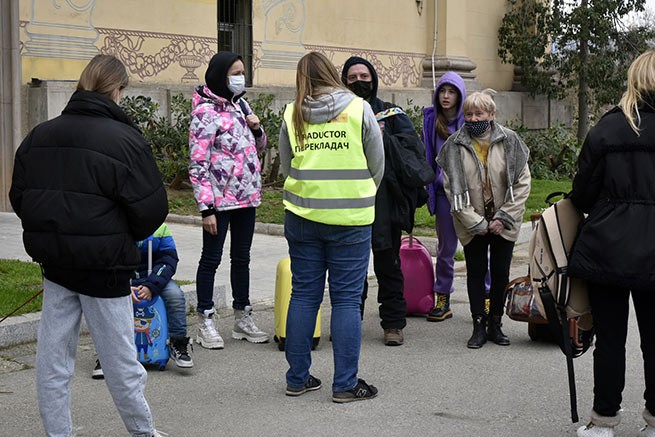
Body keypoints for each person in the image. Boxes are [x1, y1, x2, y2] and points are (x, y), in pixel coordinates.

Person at [9, 54, 167, 437]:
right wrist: (118, 234)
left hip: (58, 265)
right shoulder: (125, 139)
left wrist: (53, 234)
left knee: (53, 360)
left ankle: (58, 433)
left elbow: (20, 197)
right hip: (104, 267)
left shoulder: (40, 135)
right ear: (118, 90)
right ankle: (142, 431)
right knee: (120, 360)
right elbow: (152, 209)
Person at [278, 51, 384, 402]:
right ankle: (344, 385)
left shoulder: (293, 112)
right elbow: (376, 163)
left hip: (303, 216)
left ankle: (297, 378)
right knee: (346, 301)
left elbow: (285, 167)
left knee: (304, 295)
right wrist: (361, 192)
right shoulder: (357, 108)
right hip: (350, 218)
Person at [570, 51, 655, 437]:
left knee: (610, 340)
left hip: (608, 248)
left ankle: (604, 420)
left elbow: (582, 194)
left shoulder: (608, 128)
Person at [340, 57, 434, 346]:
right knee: (350, 267)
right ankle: (349, 321)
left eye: (364, 75)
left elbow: (412, 150)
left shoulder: (392, 114)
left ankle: (393, 323)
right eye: (353, 77)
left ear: (374, 79)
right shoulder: (337, 114)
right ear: (344, 82)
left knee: (388, 264)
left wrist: (384, 139)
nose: (359, 81)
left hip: (384, 202)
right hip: (347, 201)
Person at [436, 89, 530, 349]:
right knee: (476, 273)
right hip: (471, 222)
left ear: (491, 114)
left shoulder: (511, 141)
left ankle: (496, 324)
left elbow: (523, 184)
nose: (473, 117)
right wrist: (474, 222)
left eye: (479, 113)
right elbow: (451, 189)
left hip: (504, 221)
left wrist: (503, 217)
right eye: (469, 113)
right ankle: (478, 325)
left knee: (500, 273)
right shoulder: (453, 145)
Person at [189, 51, 269, 349]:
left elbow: (259, 147)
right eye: (235, 73)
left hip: (247, 199)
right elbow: (198, 164)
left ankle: (242, 316)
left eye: (243, 72)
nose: (241, 78)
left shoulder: (241, 105)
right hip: (219, 203)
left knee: (242, 258)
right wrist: (205, 208)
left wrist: (257, 128)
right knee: (210, 259)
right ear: (221, 76)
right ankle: (206, 320)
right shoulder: (205, 113)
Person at [93, 223, 194, 379]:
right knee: (108, 300)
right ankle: (107, 354)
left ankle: (177, 343)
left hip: (154, 278)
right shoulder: (113, 223)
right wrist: (123, 285)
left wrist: (151, 285)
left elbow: (169, 259)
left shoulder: (161, 228)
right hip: (122, 279)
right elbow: (107, 260)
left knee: (175, 295)